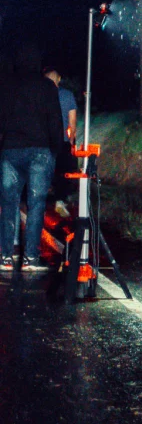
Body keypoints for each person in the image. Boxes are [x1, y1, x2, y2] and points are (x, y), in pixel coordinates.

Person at [0, 45, 62, 271]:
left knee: (9, 203)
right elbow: (55, 121)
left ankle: (5, 257)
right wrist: (56, 150)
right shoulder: (47, 87)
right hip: (39, 150)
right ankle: (30, 259)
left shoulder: (6, 86)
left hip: (11, 151)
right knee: (36, 204)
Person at [42, 66, 78, 216]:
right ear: (59, 80)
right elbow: (72, 121)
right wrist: (71, 139)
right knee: (63, 171)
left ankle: (40, 204)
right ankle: (60, 200)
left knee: (44, 172)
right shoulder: (67, 95)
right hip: (62, 140)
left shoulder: (40, 95)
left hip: (43, 141)